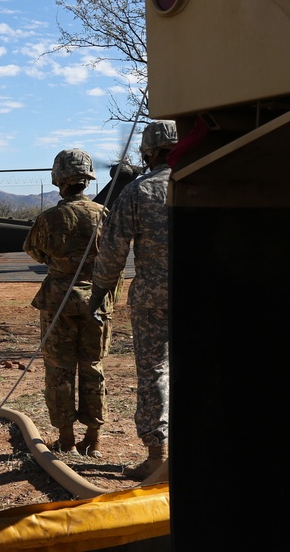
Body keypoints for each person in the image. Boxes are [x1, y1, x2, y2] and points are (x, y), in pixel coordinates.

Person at [90, 120, 178, 480]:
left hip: (152, 298)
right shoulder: (203, 183)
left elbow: (112, 251)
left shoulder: (138, 191)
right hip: (205, 294)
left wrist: (98, 292)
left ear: (148, 151)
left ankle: (157, 457)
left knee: (155, 369)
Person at [23, 148, 119, 458]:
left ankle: (66, 439)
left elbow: (34, 251)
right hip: (97, 302)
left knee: (59, 368)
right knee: (93, 366)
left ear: (58, 180)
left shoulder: (49, 218)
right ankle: (94, 439)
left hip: (59, 303)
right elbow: (115, 256)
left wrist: (61, 263)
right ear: (87, 179)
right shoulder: (105, 215)